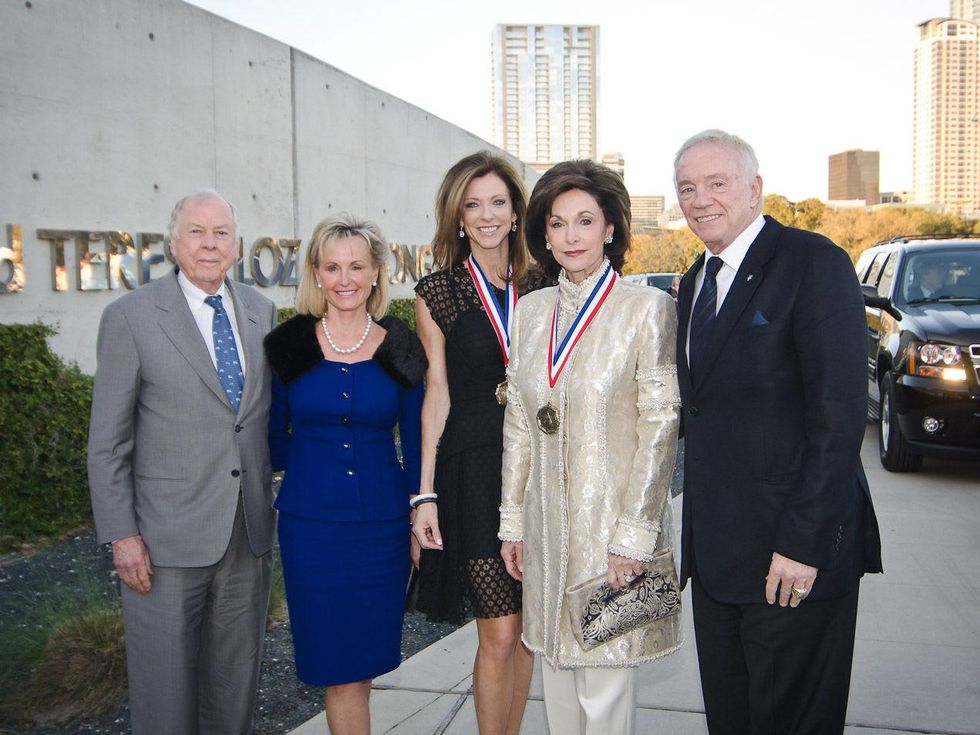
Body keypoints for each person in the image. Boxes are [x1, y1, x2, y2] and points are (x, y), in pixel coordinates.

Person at [672, 129, 883, 735]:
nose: (700, 199)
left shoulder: (812, 263)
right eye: (688, 187)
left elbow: (839, 416)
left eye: (717, 183)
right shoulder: (693, 283)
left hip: (791, 561)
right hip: (717, 564)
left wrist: (803, 544)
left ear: (755, 189)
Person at [498, 159, 682, 734]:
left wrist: (634, 534)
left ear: (610, 229)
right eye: (557, 223)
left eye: (585, 221)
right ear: (543, 235)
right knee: (555, 671)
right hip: (546, 528)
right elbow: (521, 425)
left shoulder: (645, 309)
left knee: (603, 682)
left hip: (614, 532)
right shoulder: (529, 314)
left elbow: (660, 423)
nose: (570, 236)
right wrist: (512, 523)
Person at [87, 189, 277, 735]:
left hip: (247, 536)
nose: (210, 244)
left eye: (221, 233)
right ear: (173, 242)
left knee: (233, 690)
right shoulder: (131, 317)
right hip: (163, 544)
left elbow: (259, 420)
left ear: (237, 244)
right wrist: (123, 536)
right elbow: (108, 442)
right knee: (164, 695)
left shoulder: (260, 311)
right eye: (197, 231)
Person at [264, 213, 425, 735]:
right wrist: (315, 472)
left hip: (381, 527)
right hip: (311, 529)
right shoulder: (289, 344)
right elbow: (273, 435)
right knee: (336, 670)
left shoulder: (400, 345)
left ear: (377, 271)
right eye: (332, 267)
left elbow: (418, 437)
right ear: (316, 273)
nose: (345, 278)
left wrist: (421, 507)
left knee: (362, 667)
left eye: (357, 266)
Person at [411, 151, 534, 734]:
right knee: (500, 631)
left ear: (516, 212)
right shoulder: (439, 293)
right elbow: (436, 393)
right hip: (475, 468)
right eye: (473, 204)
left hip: (539, 464)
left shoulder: (547, 283)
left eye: (498, 203)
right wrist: (425, 494)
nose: (486, 215)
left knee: (530, 629)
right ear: (458, 216)